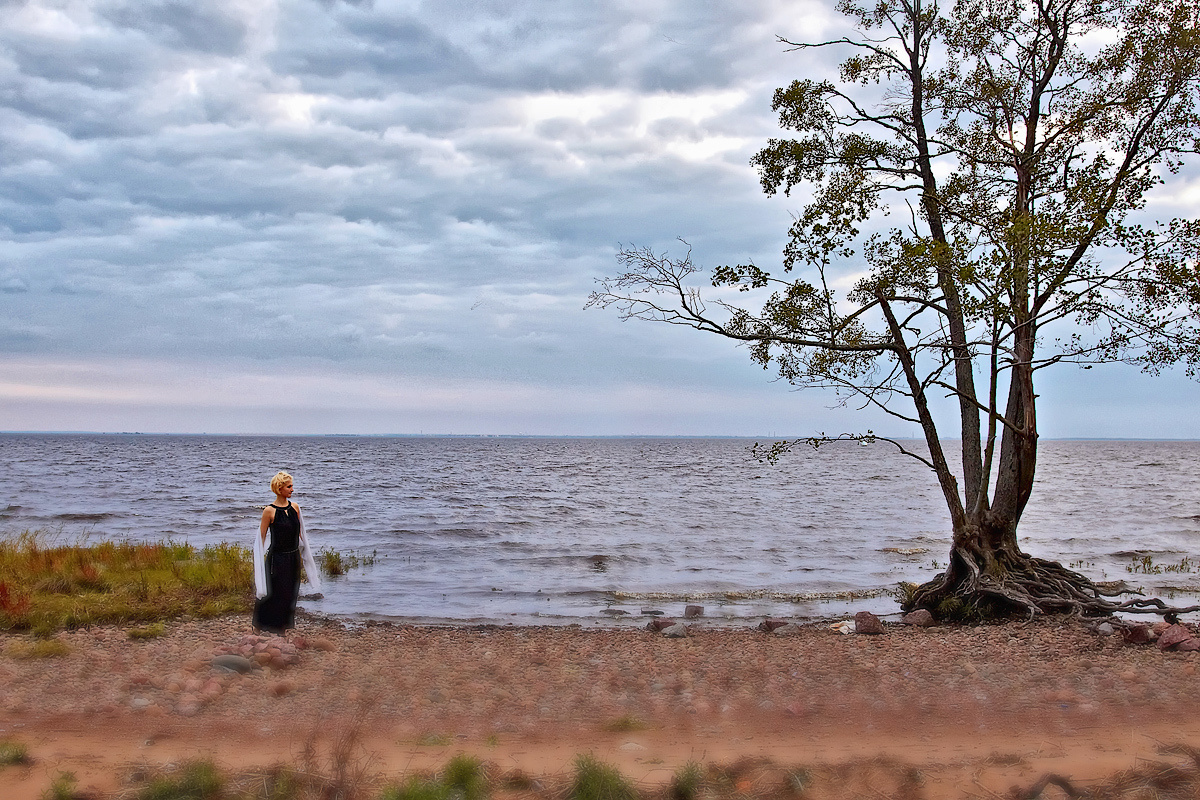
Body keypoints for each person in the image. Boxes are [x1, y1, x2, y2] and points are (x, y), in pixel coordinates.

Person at [253, 471, 321, 634]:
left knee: (291, 592)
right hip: (276, 558)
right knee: (272, 591)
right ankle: (258, 625)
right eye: (289, 486)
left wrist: (305, 556)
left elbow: (301, 534)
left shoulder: (295, 507)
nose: (292, 489)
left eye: (292, 486)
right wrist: (260, 561)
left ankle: (282, 627)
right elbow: (260, 538)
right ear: (280, 488)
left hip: (293, 556)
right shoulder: (269, 511)